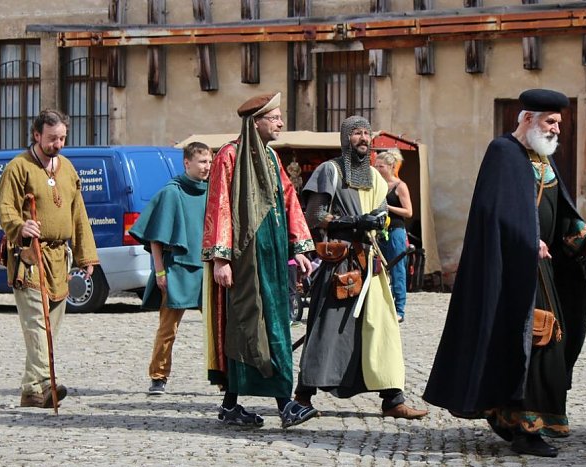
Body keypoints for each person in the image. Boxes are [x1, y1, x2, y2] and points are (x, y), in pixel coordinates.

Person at [422, 89, 586, 457]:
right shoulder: (503, 153)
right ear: (527, 119)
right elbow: (493, 213)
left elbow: (561, 211)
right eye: (550, 122)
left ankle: (519, 419)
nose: (557, 130)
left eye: (559, 123)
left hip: (541, 268)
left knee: (547, 341)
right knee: (536, 341)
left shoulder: (542, 159)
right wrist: (527, 239)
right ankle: (525, 428)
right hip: (511, 270)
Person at [295, 115, 429, 420]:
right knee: (326, 327)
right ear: (345, 138)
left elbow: (381, 213)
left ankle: (393, 398)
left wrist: (378, 221)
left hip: (370, 262)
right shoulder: (330, 170)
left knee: (383, 328)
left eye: (367, 133)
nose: (363, 138)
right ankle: (303, 396)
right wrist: (352, 221)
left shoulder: (375, 176)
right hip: (340, 261)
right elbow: (315, 215)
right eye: (357, 133)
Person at [202, 91, 317, 428]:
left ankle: (230, 405)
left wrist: (301, 247)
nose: (281, 122)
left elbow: (289, 199)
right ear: (257, 121)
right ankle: (286, 404)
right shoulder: (229, 156)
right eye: (275, 117)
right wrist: (221, 258)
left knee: (273, 322)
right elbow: (219, 205)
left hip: (274, 256)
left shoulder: (270, 157)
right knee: (250, 324)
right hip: (244, 258)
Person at [0, 109, 99, 408]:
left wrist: (85, 255)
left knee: (51, 326)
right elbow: (5, 209)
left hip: (59, 258)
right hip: (29, 257)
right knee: (36, 325)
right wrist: (20, 226)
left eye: (63, 138)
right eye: (53, 138)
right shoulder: (19, 168)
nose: (58, 144)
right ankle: (45, 383)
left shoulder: (67, 168)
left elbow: (78, 213)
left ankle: (31, 391)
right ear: (37, 135)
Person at [130, 142, 212, 396]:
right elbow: (156, 235)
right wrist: (160, 271)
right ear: (187, 163)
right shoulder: (171, 192)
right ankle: (158, 375)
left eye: (209, 161)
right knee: (168, 328)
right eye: (202, 162)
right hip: (176, 268)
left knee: (216, 327)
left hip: (206, 268)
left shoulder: (214, 192)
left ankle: (224, 376)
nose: (206, 167)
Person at [374, 149, 413, 322]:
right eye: (375, 165)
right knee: (379, 269)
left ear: (390, 166)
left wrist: (388, 208)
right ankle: (382, 306)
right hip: (379, 231)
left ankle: (400, 310)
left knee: (398, 269)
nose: (376, 168)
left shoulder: (399, 186)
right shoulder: (377, 185)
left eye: (380, 166)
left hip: (395, 231)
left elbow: (408, 212)